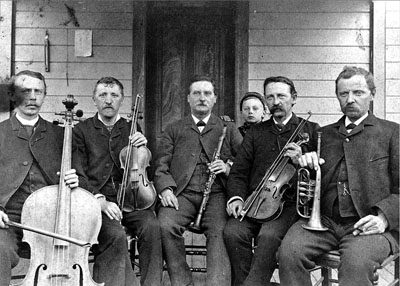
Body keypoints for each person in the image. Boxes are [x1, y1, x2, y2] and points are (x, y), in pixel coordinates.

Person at [278, 66, 399, 286]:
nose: (350, 99)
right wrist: (302, 165)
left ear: (372, 94)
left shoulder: (392, 133)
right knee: (288, 254)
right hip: (324, 223)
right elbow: (307, 185)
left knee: (355, 265)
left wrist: (383, 218)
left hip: (369, 225)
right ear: (337, 97)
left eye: (358, 93)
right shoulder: (323, 134)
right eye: (344, 94)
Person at [223, 76, 320, 286]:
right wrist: (236, 198)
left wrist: (301, 162)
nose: (276, 101)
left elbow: (320, 175)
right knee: (232, 232)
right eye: (270, 97)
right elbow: (239, 171)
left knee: (268, 236)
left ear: (293, 98)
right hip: (255, 200)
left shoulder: (311, 130)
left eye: (281, 96)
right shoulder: (256, 132)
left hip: (289, 206)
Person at [72, 77, 162, 286]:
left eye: (114, 95)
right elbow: (78, 173)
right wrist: (100, 201)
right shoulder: (82, 130)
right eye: (103, 95)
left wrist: (142, 146)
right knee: (115, 234)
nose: (108, 100)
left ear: (122, 100)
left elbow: (144, 164)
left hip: (132, 198)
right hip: (100, 201)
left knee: (152, 227)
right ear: (94, 99)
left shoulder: (131, 127)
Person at [154, 75, 242, 286]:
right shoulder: (174, 128)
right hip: (182, 194)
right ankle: (183, 282)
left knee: (219, 233)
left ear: (214, 99)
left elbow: (245, 163)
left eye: (207, 94)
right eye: (197, 93)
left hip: (217, 195)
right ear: (188, 98)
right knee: (165, 225)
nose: (202, 98)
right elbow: (161, 165)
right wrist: (166, 189)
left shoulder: (228, 129)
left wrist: (228, 167)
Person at [0, 70, 79, 286]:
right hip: (9, 219)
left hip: (53, 219)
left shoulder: (61, 134)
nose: (32, 97)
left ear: (45, 96)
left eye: (38, 91)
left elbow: (80, 174)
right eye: (25, 91)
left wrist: (75, 180)